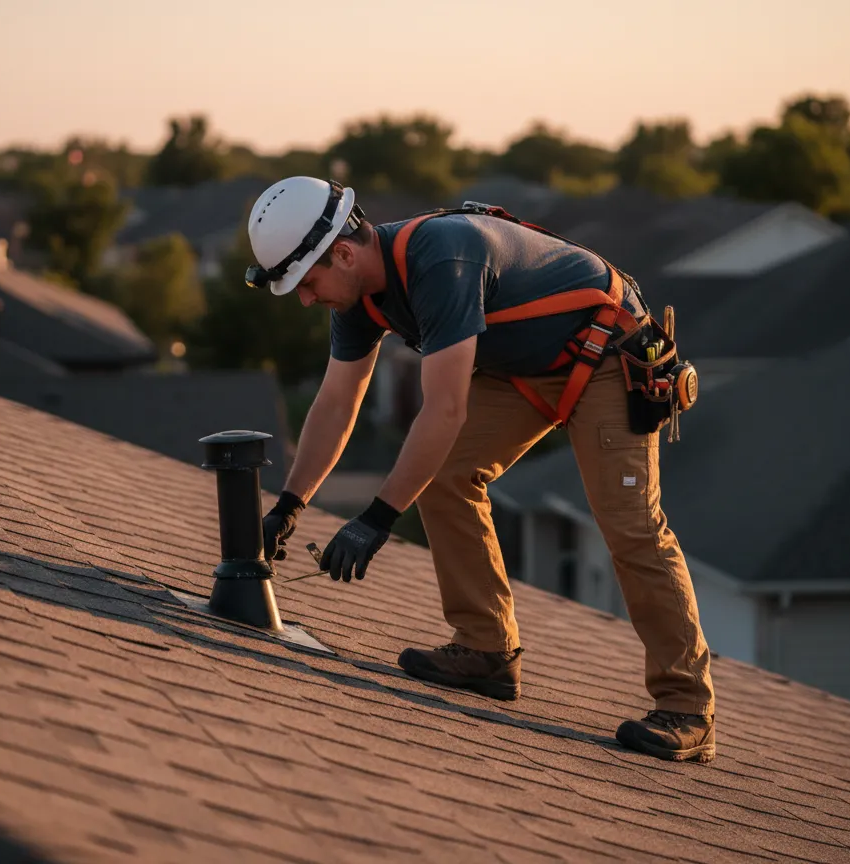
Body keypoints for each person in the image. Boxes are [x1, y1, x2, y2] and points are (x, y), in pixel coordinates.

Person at [251, 176, 716, 764]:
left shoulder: (440, 258)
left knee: (630, 526)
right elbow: (337, 402)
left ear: (343, 252)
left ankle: (687, 707)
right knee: (445, 477)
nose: (306, 299)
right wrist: (288, 506)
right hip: (526, 366)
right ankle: (486, 650)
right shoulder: (359, 296)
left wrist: (376, 518)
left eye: (308, 283)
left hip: (605, 355)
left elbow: (445, 409)